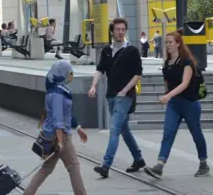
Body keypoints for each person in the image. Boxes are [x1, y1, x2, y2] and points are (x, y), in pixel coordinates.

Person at [144, 30, 209, 179]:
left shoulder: (187, 63)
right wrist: (167, 95)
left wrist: (168, 96)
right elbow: (168, 84)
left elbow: (185, 84)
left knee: (196, 133)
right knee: (168, 133)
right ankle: (159, 166)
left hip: (189, 103)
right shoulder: (167, 64)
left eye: (170, 42)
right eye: (166, 42)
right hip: (174, 104)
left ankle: (203, 163)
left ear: (178, 44)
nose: (167, 45)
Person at [88, 17, 145, 178]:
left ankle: (106, 165)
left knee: (114, 130)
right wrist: (93, 86)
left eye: (122, 29)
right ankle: (138, 159)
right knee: (124, 129)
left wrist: (125, 90)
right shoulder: (106, 50)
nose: (120, 32)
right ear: (112, 32)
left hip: (125, 97)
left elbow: (137, 74)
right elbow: (100, 70)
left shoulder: (131, 50)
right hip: (111, 96)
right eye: (117, 29)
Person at [24, 60, 87, 195]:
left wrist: (78, 127)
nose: (71, 76)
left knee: (46, 169)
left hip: (53, 135)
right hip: (59, 136)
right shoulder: (58, 94)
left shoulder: (57, 89)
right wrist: (60, 141)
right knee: (73, 167)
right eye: (70, 73)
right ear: (63, 73)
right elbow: (58, 120)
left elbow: (66, 114)